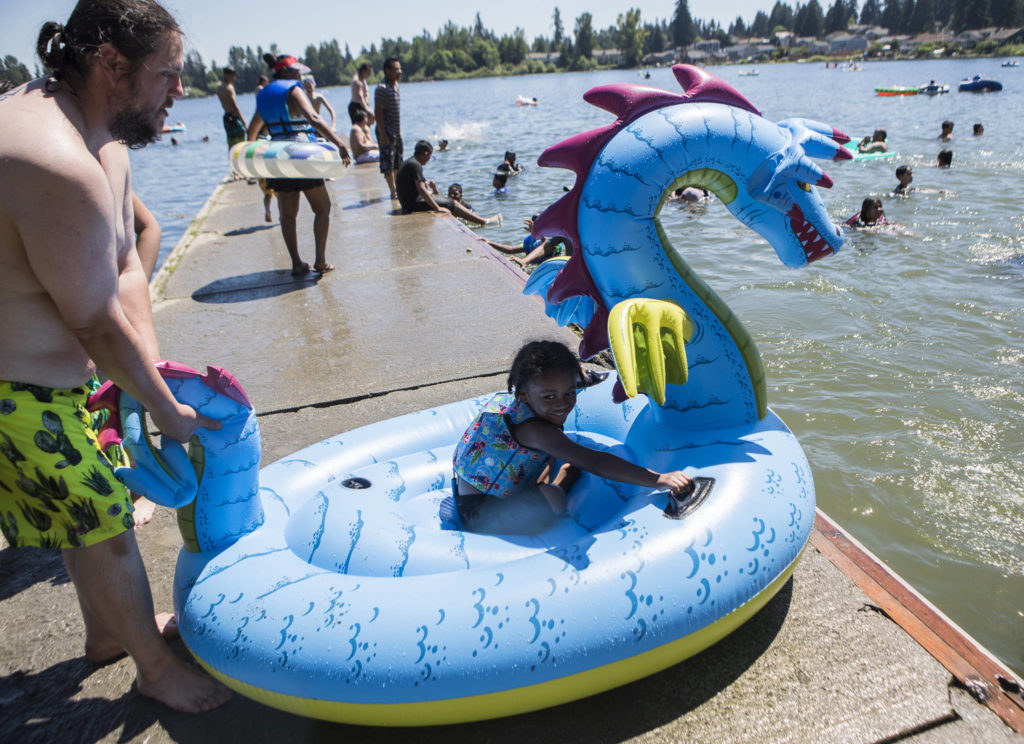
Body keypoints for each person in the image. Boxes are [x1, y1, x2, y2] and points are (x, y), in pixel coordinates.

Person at [0, 0, 230, 713]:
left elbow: (127, 261)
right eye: (167, 75)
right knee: (102, 517)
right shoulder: (51, 159)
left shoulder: (104, 140)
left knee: (79, 515)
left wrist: (150, 374)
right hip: (17, 392)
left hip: (61, 382)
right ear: (111, 65)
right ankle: (154, 671)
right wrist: (170, 414)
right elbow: (95, 322)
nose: (179, 91)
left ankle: (108, 635)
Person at [452, 341, 694, 533]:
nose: (563, 403)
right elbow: (594, 461)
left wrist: (580, 379)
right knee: (554, 499)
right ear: (524, 395)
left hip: (482, 486)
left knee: (547, 452)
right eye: (550, 396)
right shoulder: (536, 431)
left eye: (570, 392)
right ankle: (562, 481)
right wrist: (657, 479)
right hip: (483, 515)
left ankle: (545, 478)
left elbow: (556, 384)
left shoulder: (523, 399)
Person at [246, 53, 351, 276]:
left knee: (287, 214)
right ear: (285, 71)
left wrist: (255, 162)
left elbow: (251, 132)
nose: (299, 75)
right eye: (295, 71)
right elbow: (313, 117)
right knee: (323, 208)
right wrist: (339, 143)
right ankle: (320, 261)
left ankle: (296, 262)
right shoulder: (294, 90)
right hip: (302, 157)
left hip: (279, 158)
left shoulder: (265, 95)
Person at [395, 140, 500, 225]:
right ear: (425, 153)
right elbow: (421, 190)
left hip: (407, 203)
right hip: (412, 204)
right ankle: (484, 221)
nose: (429, 159)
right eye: (429, 156)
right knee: (452, 203)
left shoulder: (409, 161)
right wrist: (437, 208)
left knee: (439, 197)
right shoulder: (415, 165)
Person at [374, 57, 402, 199]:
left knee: (398, 161)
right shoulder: (382, 88)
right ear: (387, 70)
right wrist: (383, 133)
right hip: (386, 130)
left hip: (397, 131)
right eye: (396, 69)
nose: (400, 72)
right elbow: (378, 112)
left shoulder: (395, 86)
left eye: (400, 69)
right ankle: (393, 191)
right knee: (388, 163)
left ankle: (398, 188)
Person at [216, 64, 246, 154]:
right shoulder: (229, 88)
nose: (234, 78)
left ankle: (231, 162)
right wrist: (244, 122)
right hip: (233, 117)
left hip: (226, 117)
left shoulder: (219, 88)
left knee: (231, 141)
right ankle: (241, 161)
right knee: (241, 139)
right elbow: (234, 106)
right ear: (226, 75)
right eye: (232, 76)